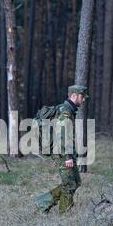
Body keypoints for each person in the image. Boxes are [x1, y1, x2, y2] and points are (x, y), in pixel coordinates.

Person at [34, 85, 89, 214]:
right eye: (82, 97)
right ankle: (64, 215)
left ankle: (42, 202)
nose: (84, 100)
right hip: (62, 153)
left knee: (75, 182)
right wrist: (68, 156)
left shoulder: (68, 110)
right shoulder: (65, 112)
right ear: (74, 96)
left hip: (63, 152)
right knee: (70, 184)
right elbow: (63, 136)